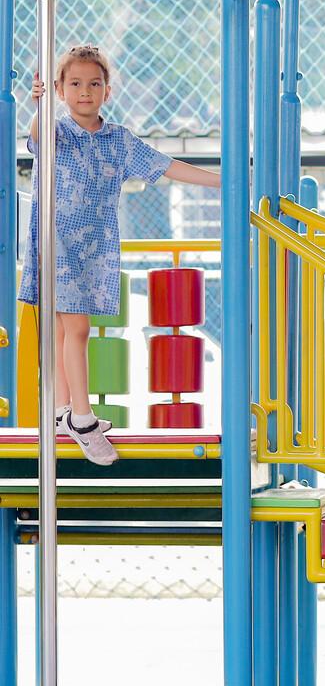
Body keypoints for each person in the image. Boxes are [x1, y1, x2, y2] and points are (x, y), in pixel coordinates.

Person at [21, 45, 220, 465]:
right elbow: (37, 135)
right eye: (75, 84)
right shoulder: (56, 131)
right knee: (77, 329)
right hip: (55, 241)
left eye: (94, 84)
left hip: (92, 248)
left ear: (107, 91)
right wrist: (36, 103)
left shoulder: (118, 141)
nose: (85, 92)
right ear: (59, 89)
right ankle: (82, 417)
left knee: (63, 331)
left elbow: (165, 165)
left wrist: (223, 181)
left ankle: (60, 410)